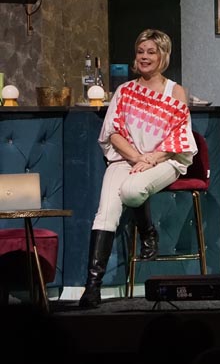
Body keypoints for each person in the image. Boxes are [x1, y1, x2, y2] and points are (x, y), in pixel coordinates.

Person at [78, 29, 196, 308]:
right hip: (127, 159)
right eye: (140, 51)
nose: (144, 57)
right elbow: (114, 133)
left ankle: (147, 230)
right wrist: (137, 157)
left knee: (132, 191)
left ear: (163, 56)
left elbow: (179, 136)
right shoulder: (125, 90)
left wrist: (151, 159)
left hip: (166, 159)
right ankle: (92, 287)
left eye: (151, 52)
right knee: (106, 212)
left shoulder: (175, 91)